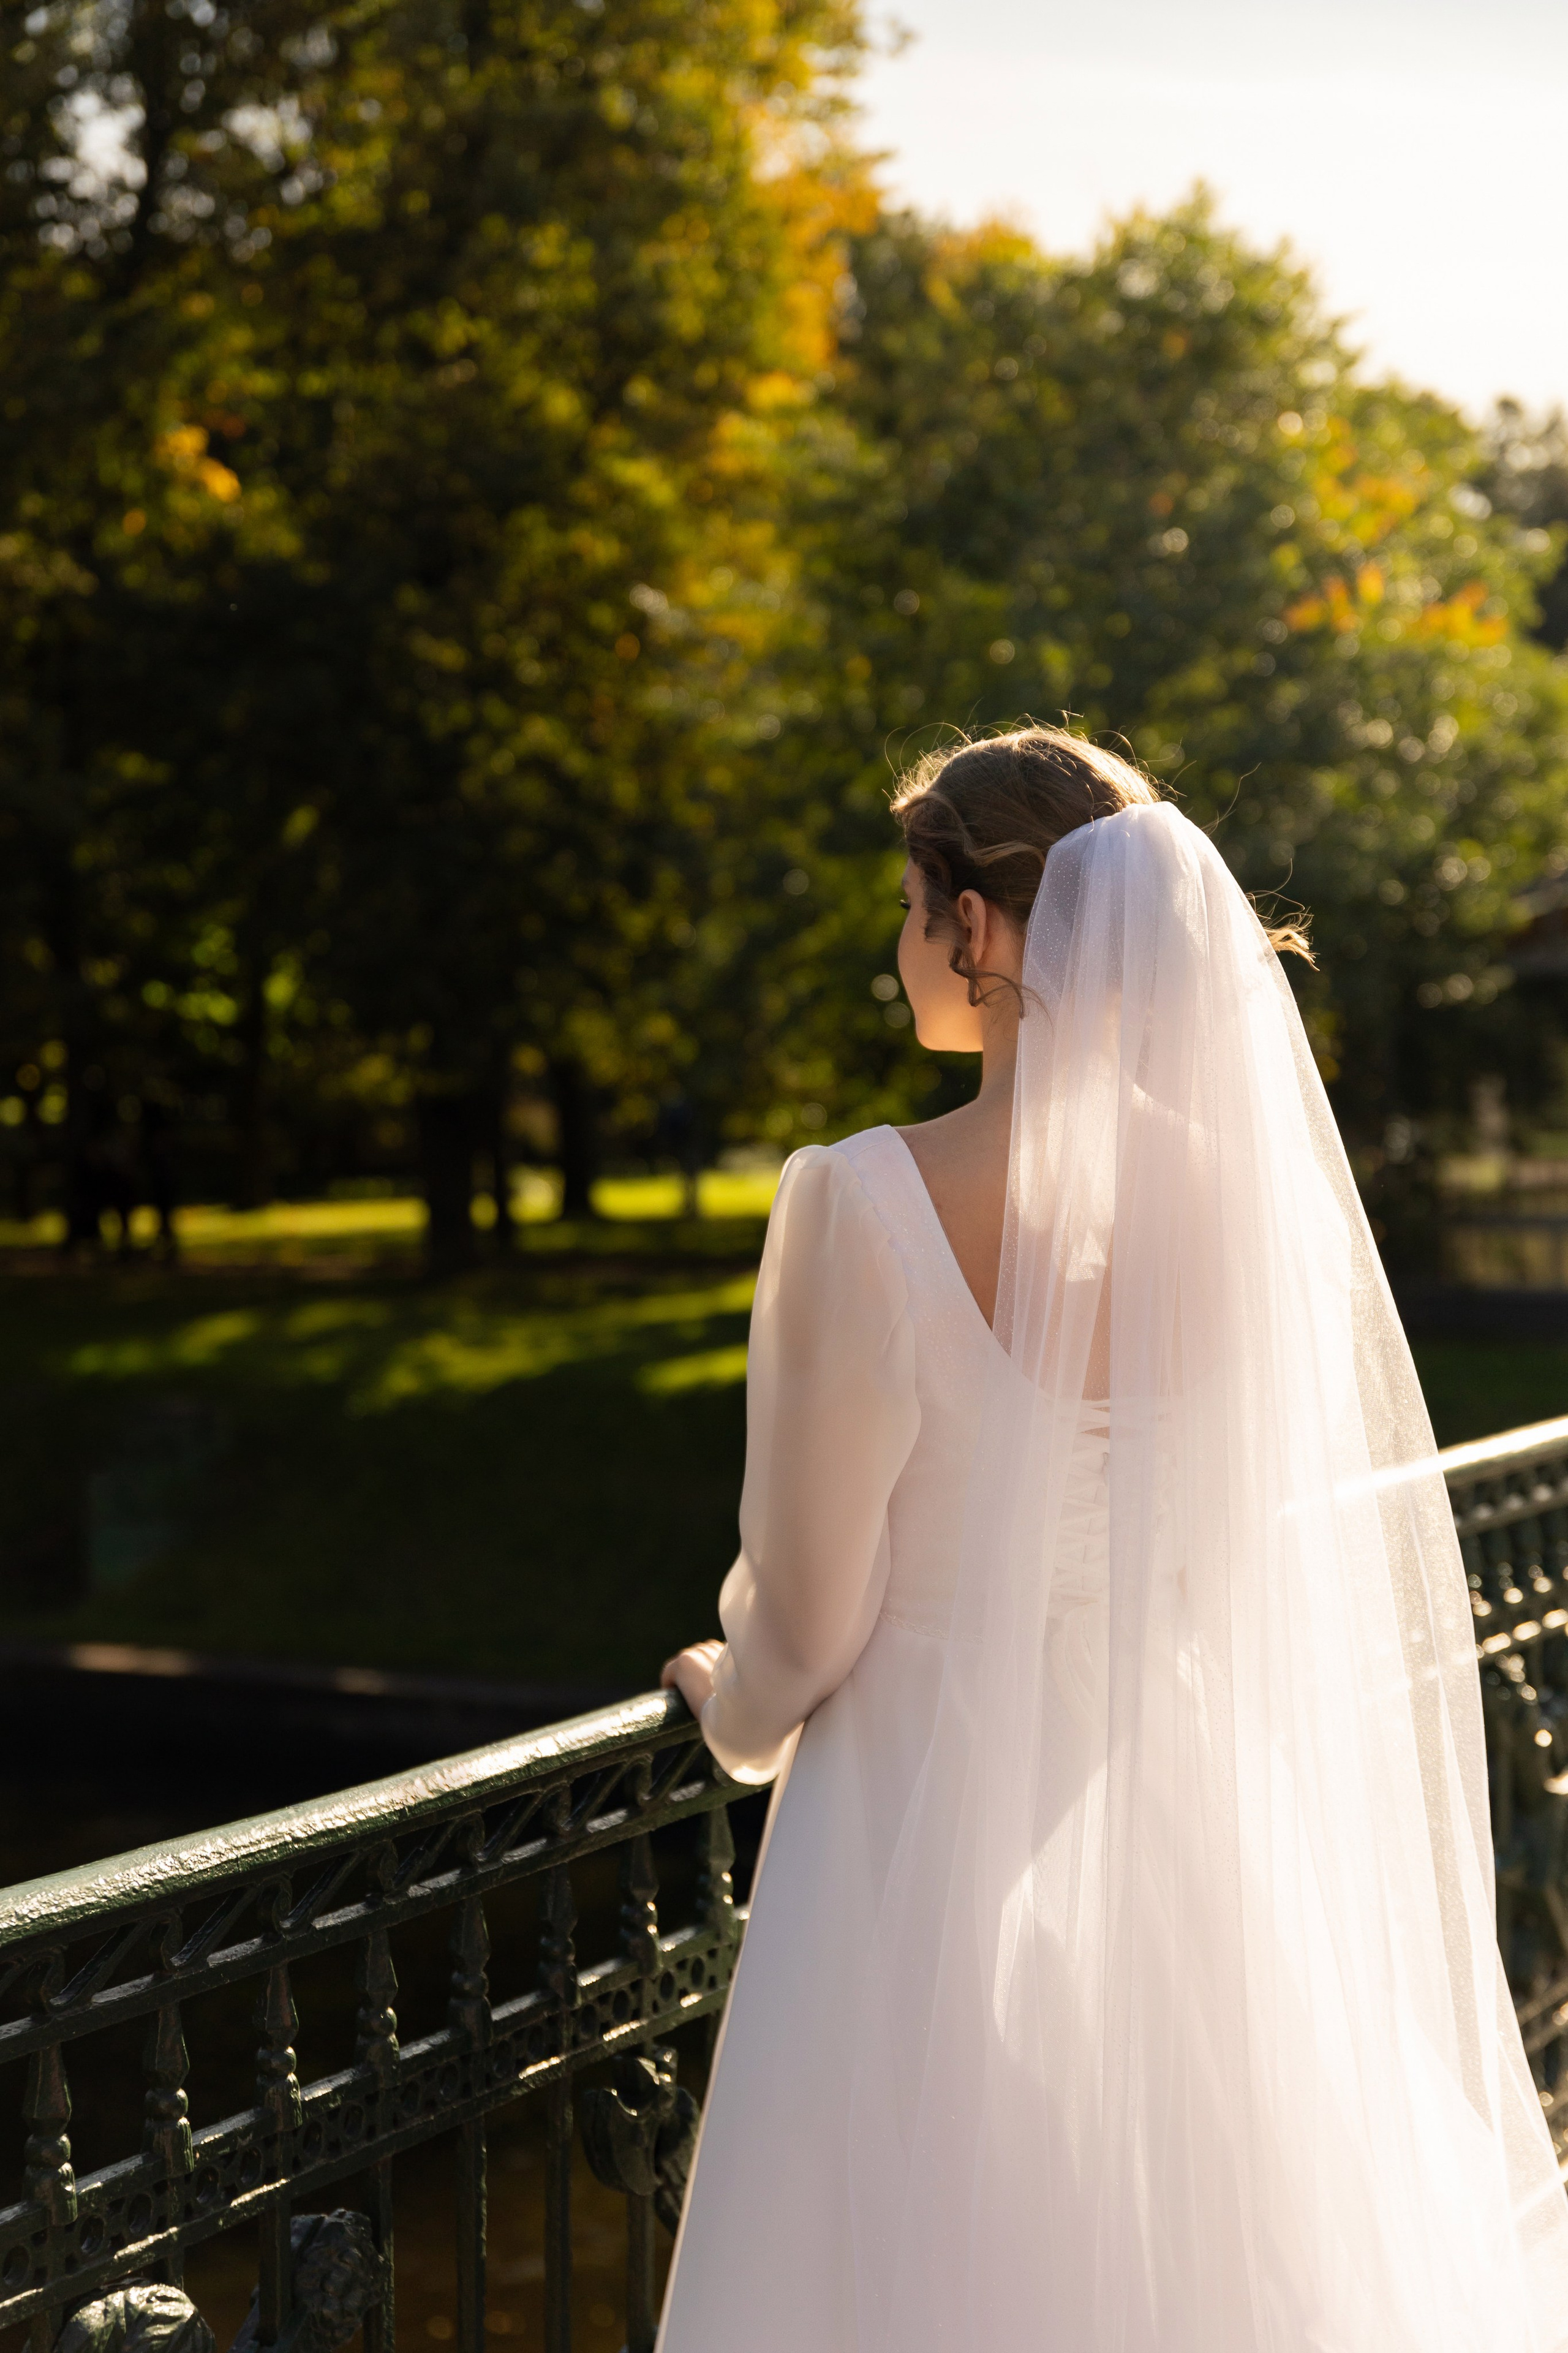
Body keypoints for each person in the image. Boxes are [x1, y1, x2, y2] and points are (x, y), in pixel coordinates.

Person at [657, 726, 1568, 2353]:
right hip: (1186, 1808)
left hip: (914, 1841)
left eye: (910, 905)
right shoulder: (1240, 1198)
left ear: (979, 927)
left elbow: (808, 1621)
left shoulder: (862, 1203)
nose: (901, 949)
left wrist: (727, 1707)